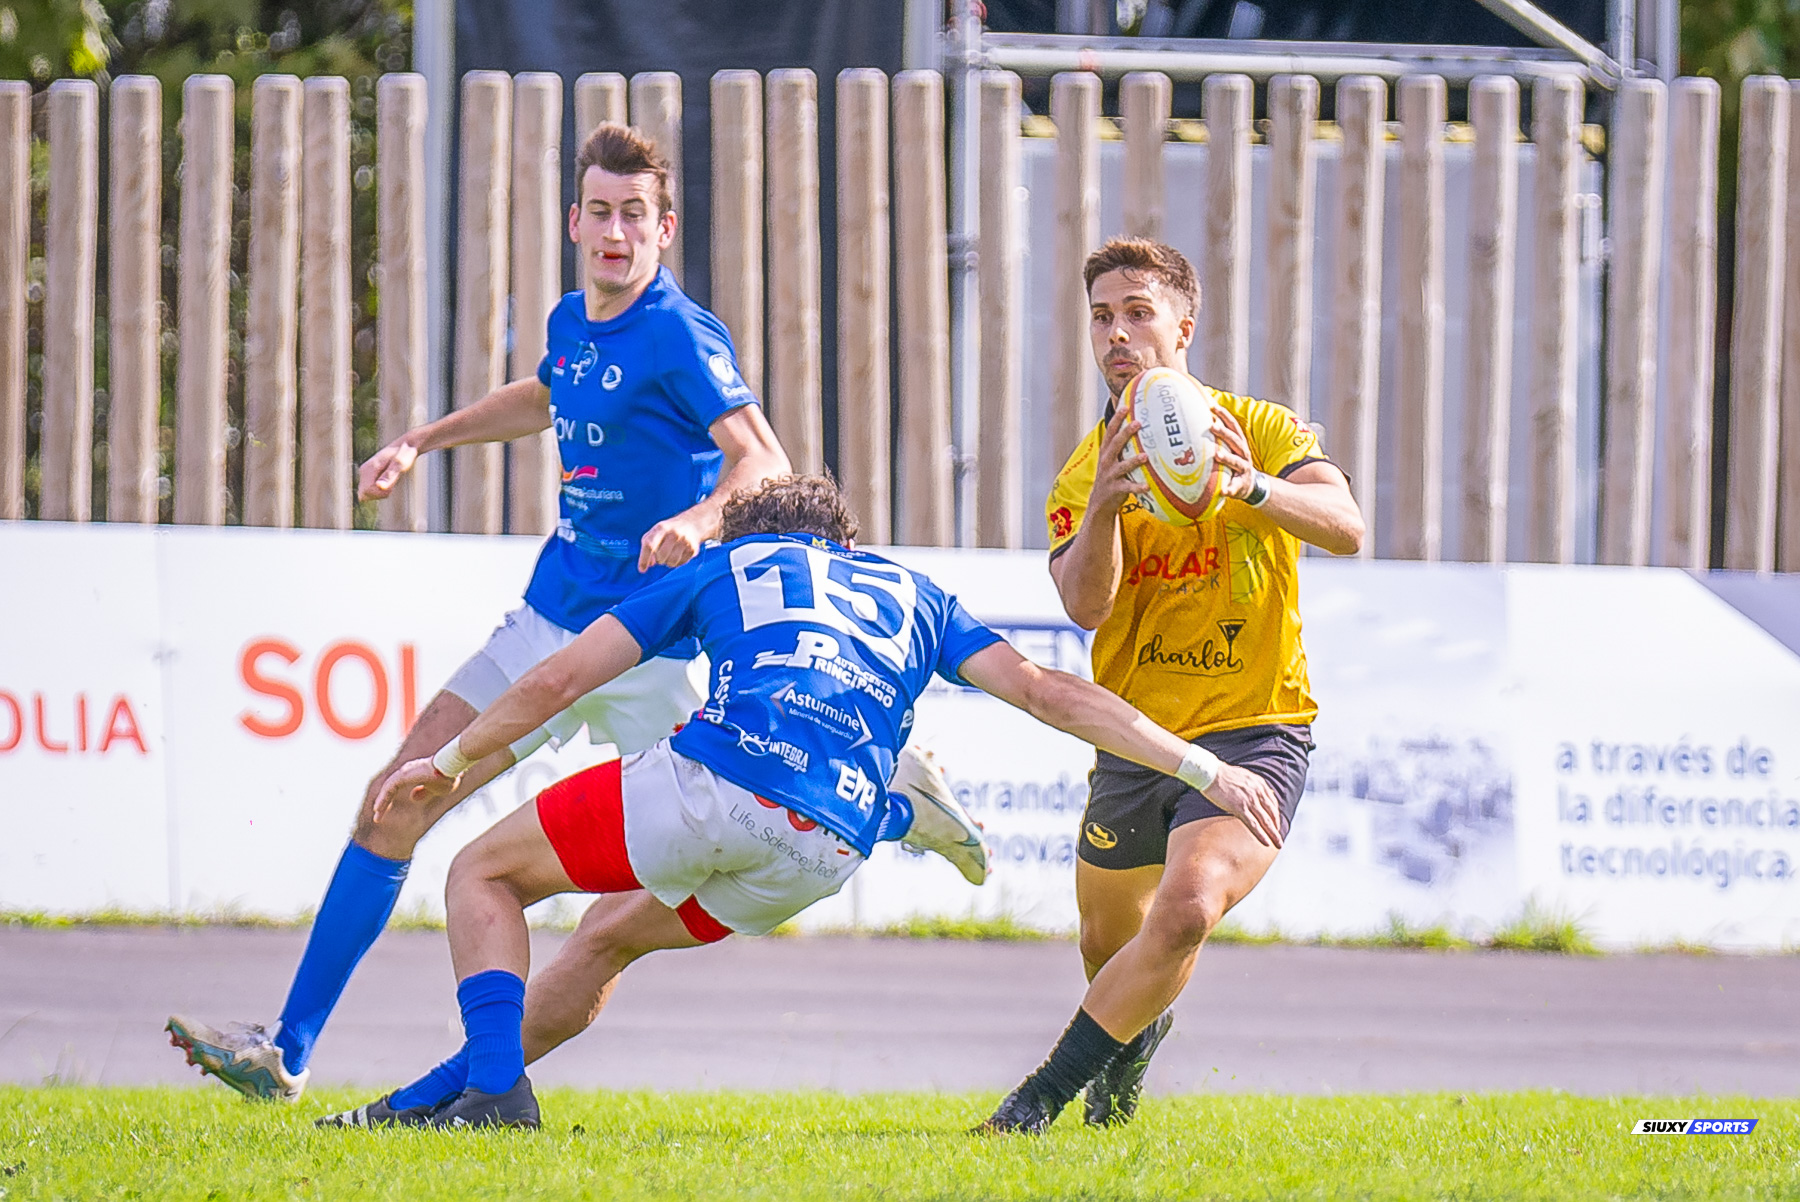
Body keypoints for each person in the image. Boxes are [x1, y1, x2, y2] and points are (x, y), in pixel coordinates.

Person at [312, 474, 1284, 1129]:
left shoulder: (726, 564)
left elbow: (560, 677)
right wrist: (1205, 769)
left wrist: (451, 757)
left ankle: (490, 1092)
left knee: (478, 870)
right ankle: (431, 1098)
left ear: (749, 539)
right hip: (822, 854)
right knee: (608, 933)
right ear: (846, 543)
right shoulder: (913, 590)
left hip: (721, 784)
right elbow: (1048, 690)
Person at [166, 122, 791, 1102]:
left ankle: (890, 800)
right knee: (397, 795)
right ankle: (284, 1049)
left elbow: (766, 461)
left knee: (728, 838)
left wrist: (701, 518)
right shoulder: (570, 321)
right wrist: (422, 438)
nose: (615, 232)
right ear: (575, 220)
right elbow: (545, 395)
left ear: (664, 229)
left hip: (649, 645)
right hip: (553, 618)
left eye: (636, 215)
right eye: (600, 212)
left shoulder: (679, 330)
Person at [979, 237, 1364, 1134]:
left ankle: (1034, 1102)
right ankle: (1129, 1055)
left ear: (1184, 326)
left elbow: (1345, 525)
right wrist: (1108, 507)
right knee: (1105, 946)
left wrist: (1251, 488)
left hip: (1254, 728)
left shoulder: (1256, 428)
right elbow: (1085, 606)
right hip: (1137, 739)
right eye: (1102, 318)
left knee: (1187, 909)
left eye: (1138, 313)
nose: (1118, 334)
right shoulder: (1086, 470)